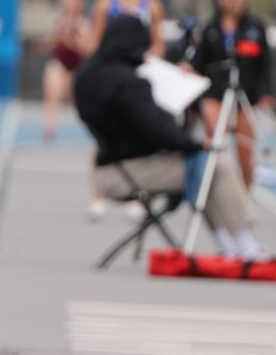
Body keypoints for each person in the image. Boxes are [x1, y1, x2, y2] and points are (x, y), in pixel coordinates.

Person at [75, 14, 266, 261]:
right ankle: (244, 243)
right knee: (216, 164)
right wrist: (197, 143)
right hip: (130, 172)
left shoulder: (87, 74)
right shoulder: (130, 83)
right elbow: (157, 131)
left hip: (107, 170)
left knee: (203, 168)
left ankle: (227, 243)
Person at [87, 0, 165, 220]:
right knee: (104, 136)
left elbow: (158, 43)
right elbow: (95, 41)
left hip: (138, 77)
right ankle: (98, 196)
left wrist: (148, 60)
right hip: (111, 76)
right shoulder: (105, 3)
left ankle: (138, 194)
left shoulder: (152, 6)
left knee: (139, 135)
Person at [187, 0, 273, 190]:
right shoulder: (211, 27)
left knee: (245, 148)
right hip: (216, 91)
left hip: (246, 94)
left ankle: (245, 193)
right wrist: (187, 68)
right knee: (218, 139)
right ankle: (213, 188)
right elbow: (198, 61)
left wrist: (268, 92)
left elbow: (266, 64)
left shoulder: (255, 27)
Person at [41, 0, 92, 142]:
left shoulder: (84, 23)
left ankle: (93, 126)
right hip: (60, 62)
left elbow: (85, 48)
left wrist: (73, 39)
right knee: (53, 93)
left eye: (74, 3)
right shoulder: (60, 21)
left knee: (81, 99)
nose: (71, 6)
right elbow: (53, 42)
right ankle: (49, 127)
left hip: (78, 65)